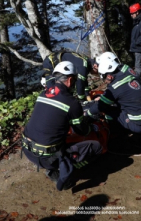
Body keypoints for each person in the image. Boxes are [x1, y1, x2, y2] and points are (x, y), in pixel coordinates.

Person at [23, 61, 103, 191]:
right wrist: (91, 125)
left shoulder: (43, 94)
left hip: (28, 150)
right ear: (70, 80)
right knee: (97, 148)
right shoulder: (71, 102)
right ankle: (61, 170)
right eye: (75, 80)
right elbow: (81, 131)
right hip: (47, 158)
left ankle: (55, 165)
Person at [85, 52, 141, 137]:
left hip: (140, 124)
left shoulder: (114, 87)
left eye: (104, 76)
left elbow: (100, 106)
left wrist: (88, 113)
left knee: (108, 112)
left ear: (108, 75)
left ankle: (120, 137)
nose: (105, 80)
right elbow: (129, 90)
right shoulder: (127, 69)